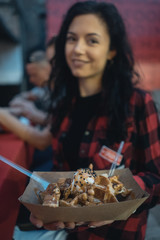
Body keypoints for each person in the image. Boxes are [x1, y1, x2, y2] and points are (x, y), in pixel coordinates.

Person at [28, 1, 160, 240]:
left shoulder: (138, 103)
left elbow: (157, 178)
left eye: (92, 40)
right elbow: (62, 175)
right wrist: (49, 208)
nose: (78, 49)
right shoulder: (63, 106)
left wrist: (118, 196)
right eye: (71, 39)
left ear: (112, 50)